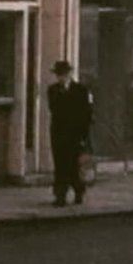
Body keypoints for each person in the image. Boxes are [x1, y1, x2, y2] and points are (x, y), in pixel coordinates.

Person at [47, 61, 92, 207]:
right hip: (59, 134)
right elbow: (54, 109)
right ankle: (60, 196)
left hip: (75, 134)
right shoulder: (53, 90)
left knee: (74, 165)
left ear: (69, 74)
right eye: (58, 75)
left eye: (63, 75)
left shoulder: (80, 90)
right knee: (60, 165)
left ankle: (79, 190)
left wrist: (83, 136)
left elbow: (86, 113)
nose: (61, 78)